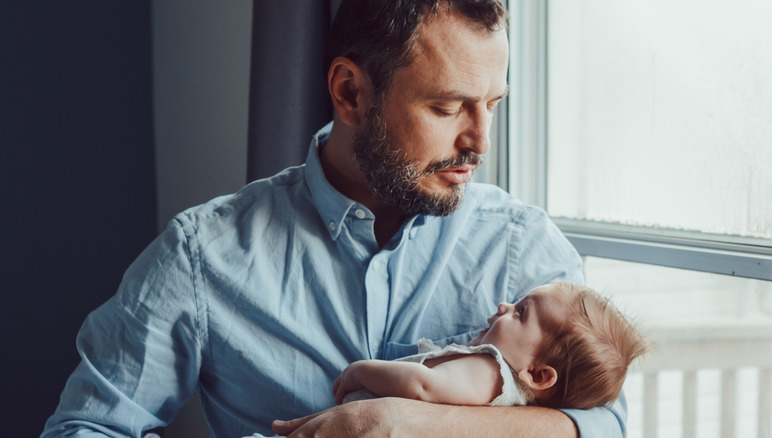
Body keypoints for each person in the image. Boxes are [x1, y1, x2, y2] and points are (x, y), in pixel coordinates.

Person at [42, 1, 627, 437]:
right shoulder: (203, 256)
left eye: (492, 104)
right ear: (350, 93)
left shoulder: (521, 248)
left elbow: (603, 425)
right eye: (447, 107)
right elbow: (85, 426)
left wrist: (403, 424)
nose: (480, 141)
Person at [332, 282, 647, 411]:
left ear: (537, 375)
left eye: (521, 312)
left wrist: (360, 371)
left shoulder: (491, 374)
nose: (504, 305)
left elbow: (422, 386)